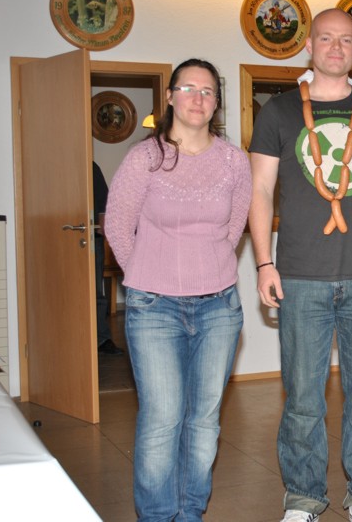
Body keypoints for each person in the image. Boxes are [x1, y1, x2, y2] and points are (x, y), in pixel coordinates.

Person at [249, 8, 352, 522]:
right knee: (302, 398)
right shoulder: (278, 112)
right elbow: (259, 190)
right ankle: (303, 500)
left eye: (346, 40)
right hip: (299, 277)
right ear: (308, 46)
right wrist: (263, 263)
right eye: (326, 39)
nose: (336, 48)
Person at [105, 59, 252, 521]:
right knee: (162, 419)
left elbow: (233, 229)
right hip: (154, 307)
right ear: (169, 96)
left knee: (204, 421)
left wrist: (205, 268)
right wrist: (148, 274)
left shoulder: (234, 161)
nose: (197, 98)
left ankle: (189, 513)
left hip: (220, 307)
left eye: (207, 91)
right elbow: (117, 227)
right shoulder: (144, 158)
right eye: (188, 88)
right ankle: (156, 516)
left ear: (217, 102)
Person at [92, 160, 123, 355]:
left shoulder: (91, 166)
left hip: (90, 237)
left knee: (96, 291)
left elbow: (104, 205)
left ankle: (101, 339)